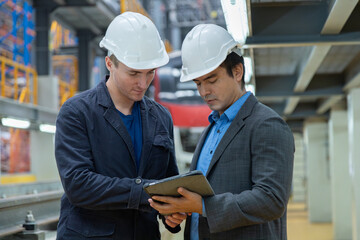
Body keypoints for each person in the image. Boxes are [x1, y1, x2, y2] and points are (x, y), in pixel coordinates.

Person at [149, 24, 295, 239]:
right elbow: (205, 196)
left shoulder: (267, 124)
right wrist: (179, 210)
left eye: (212, 80)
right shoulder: (213, 128)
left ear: (237, 71)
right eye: (198, 83)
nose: (204, 91)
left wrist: (203, 206)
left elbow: (271, 200)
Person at [55, 12, 186, 240]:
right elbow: (78, 185)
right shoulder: (77, 112)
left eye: (150, 73)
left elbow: (167, 181)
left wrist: (171, 214)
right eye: (134, 73)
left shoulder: (161, 117)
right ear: (110, 63)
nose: (143, 83)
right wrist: (145, 192)